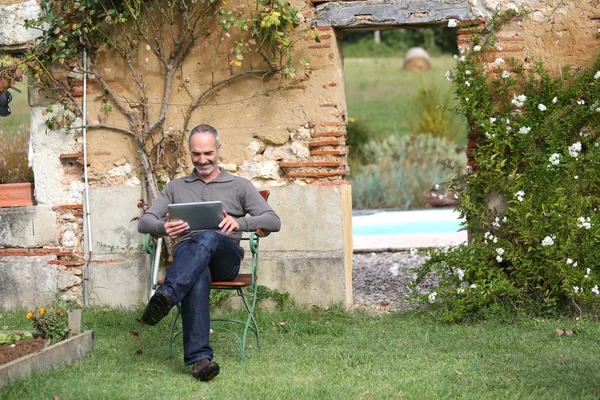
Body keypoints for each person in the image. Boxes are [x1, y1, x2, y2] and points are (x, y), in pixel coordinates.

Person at [138, 124, 281, 381]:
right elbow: (144, 223)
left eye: (207, 153)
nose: (202, 160)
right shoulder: (176, 187)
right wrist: (164, 226)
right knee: (197, 272)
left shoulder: (239, 186)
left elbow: (273, 220)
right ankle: (201, 361)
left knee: (207, 235)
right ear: (189, 154)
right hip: (189, 262)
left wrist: (241, 223)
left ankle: (167, 294)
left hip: (225, 259)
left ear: (218, 150)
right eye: (196, 154)